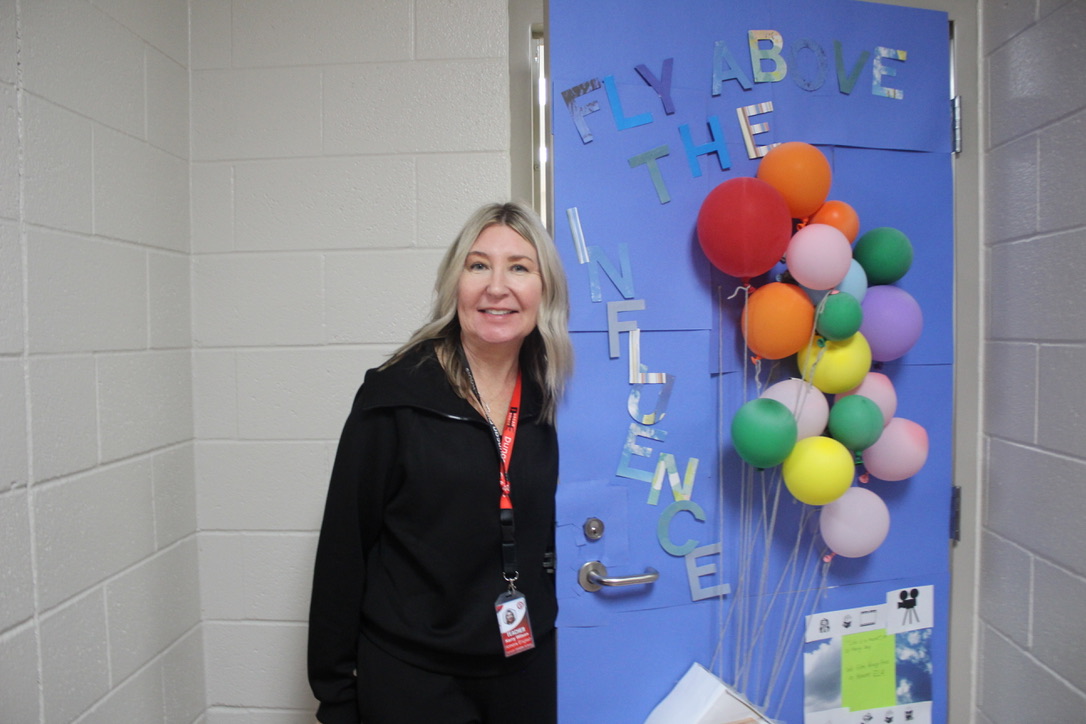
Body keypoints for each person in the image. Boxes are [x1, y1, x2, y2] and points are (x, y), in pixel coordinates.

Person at [308, 201, 573, 724]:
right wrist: (335, 695)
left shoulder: (551, 396)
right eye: (479, 266)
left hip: (524, 671)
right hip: (415, 679)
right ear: (456, 283)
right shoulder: (395, 396)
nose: (497, 287)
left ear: (545, 291)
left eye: (519, 267)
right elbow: (343, 549)